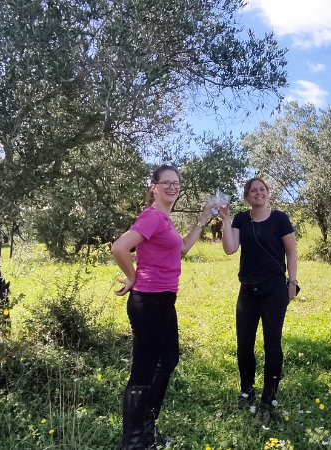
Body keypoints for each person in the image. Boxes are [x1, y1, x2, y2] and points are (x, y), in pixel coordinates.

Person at [111, 165, 213, 449]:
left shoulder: (165, 219)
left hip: (164, 299)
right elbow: (119, 247)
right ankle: (133, 443)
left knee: (167, 360)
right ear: (153, 187)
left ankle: (147, 430)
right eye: (166, 183)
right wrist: (132, 277)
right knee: (144, 370)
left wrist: (203, 220)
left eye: (176, 183)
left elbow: (181, 249)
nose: (172, 187)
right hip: (149, 300)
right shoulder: (152, 216)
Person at [219, 177, 298, 426]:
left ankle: (268, 400)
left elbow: (291, 251)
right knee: (244, 345)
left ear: (268, 193)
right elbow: (230, 249)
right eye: (253, 190)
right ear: (246, 197)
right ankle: (247, 391)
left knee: (272, 346)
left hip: (274, 289)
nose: (258, 193)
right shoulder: (241, 219)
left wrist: (292, 282)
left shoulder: (280, 218)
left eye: (262, 189)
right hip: (248, 290)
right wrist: (225, 219)